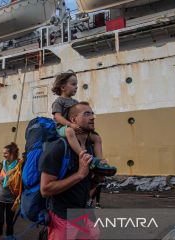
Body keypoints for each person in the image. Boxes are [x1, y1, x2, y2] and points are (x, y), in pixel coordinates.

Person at [40, 102, 102, 240]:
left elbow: (88, 185)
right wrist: (79, 175)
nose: (92, 117)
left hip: (85, 212)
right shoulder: (58, 148)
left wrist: (98, 178)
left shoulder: (91, 148)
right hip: (63, 216)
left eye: (92, 113)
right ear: (73, 120)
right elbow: (45, 189)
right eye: (86, 114)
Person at [52, 71, 103, 160]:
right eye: (73, 84)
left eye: (76, 84)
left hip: (76, 126)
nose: (76, 87)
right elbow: (57, 116)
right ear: (63, 87)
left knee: (96, 137)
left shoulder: (75, 102)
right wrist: (70, 124)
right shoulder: (58, 101)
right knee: (69, 132)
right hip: (62, 128)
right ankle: (82, 155)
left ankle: (100, 160)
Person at [0, 142, 19, 240]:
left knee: (10, 221)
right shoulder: (1, 164)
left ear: (12, 154)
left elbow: (22, 182)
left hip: (12, 199)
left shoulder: (19, 165)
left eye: (5, 153)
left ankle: (10, 236)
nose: (3, 155)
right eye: (3, 153)